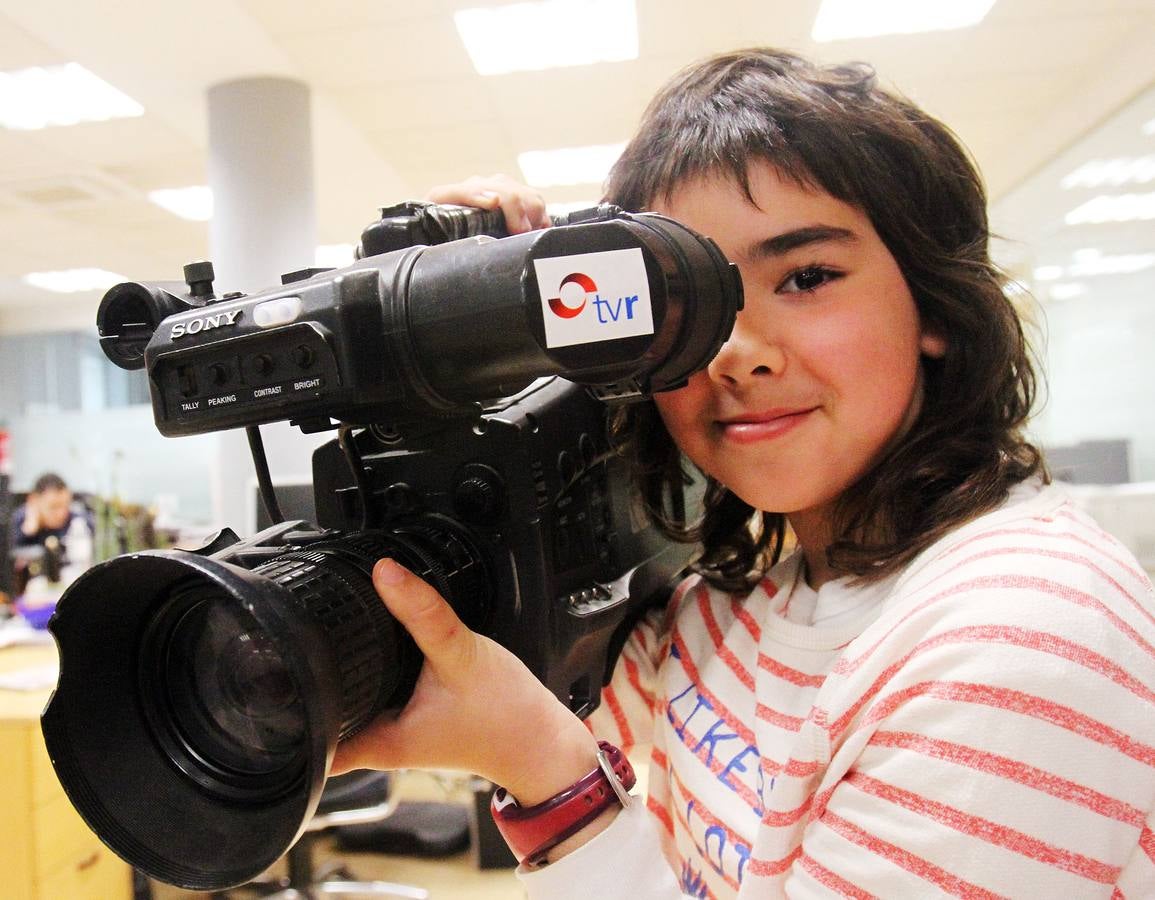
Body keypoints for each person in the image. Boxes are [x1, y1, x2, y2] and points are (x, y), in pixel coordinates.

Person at [332, 48, 1155, 896]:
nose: (736, 353)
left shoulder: (1023, 636)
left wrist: (552, 784)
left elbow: (544, 744)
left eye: (805, 277)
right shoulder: (751, 605)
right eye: (681, 308)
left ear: (935, 309)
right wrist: (459, 336)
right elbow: (513, 693)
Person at [10, 472, 94, 592]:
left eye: (66, 505)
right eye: (54, 507)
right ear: (33, 501)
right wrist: (27, 531)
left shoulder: (78, 520)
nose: (61, 513)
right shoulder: (17, 521)